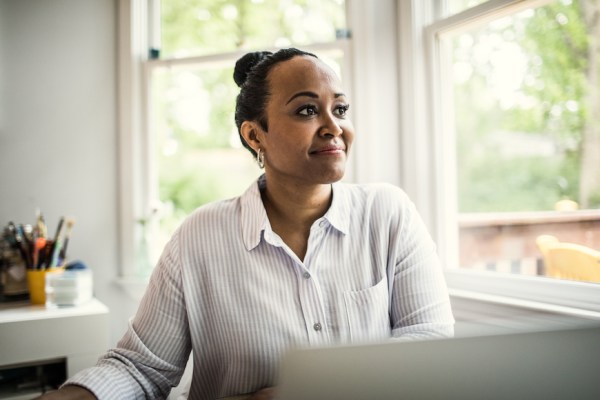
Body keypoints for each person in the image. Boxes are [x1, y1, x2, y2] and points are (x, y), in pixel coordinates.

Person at [36, 47, 454, 400]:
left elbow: (430, 342)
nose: (334, 127)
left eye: (340, 109)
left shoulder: (389, 213)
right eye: (308, 110)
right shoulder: (198, 237)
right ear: (255, 136)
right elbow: (140, 369)